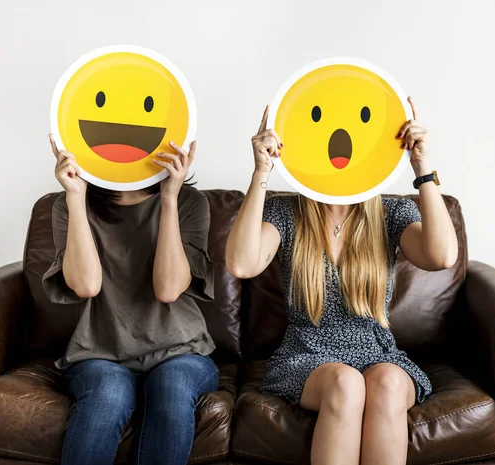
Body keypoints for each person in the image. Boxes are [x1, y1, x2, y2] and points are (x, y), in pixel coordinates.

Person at [225, 98, 458, 465]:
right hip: (307, 353)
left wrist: (422, 165)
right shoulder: (286, 212)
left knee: (389, 383)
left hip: (378, 351)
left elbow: (442, 256)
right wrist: (261, 173)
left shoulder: (391, 212)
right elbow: (241, 264)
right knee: (346, 383)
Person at [43, 135, 218, 465]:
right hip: (101, 352)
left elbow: (167, 289)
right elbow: (86, 285)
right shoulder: (67, 204)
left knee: (173, 388)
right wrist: (76, 198)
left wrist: (169, 199)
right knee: (108, 394)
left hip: (180, 350)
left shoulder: (190, 203)